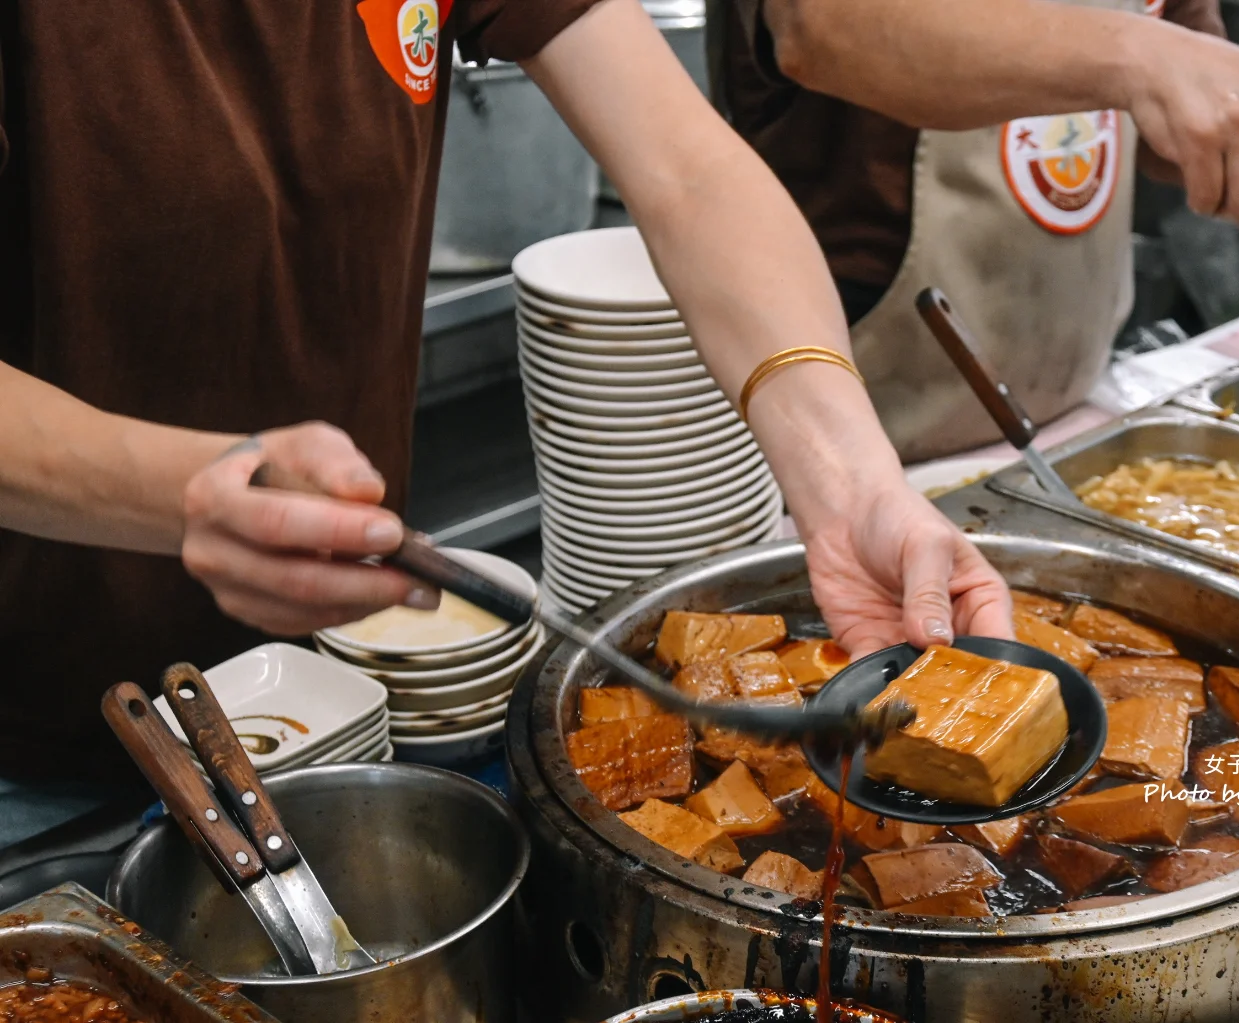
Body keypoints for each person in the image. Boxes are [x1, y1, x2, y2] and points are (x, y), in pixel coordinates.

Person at [0, 0, 1011, 820]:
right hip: (38, 722)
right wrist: (180, 492)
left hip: (344, 679)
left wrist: (849, 485)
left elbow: (687, 166)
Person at [707, 0, 1239, 462]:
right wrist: (1140, 53)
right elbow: (824, 29)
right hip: (838, 432)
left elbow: (1175, 118)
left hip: (1070, 416)